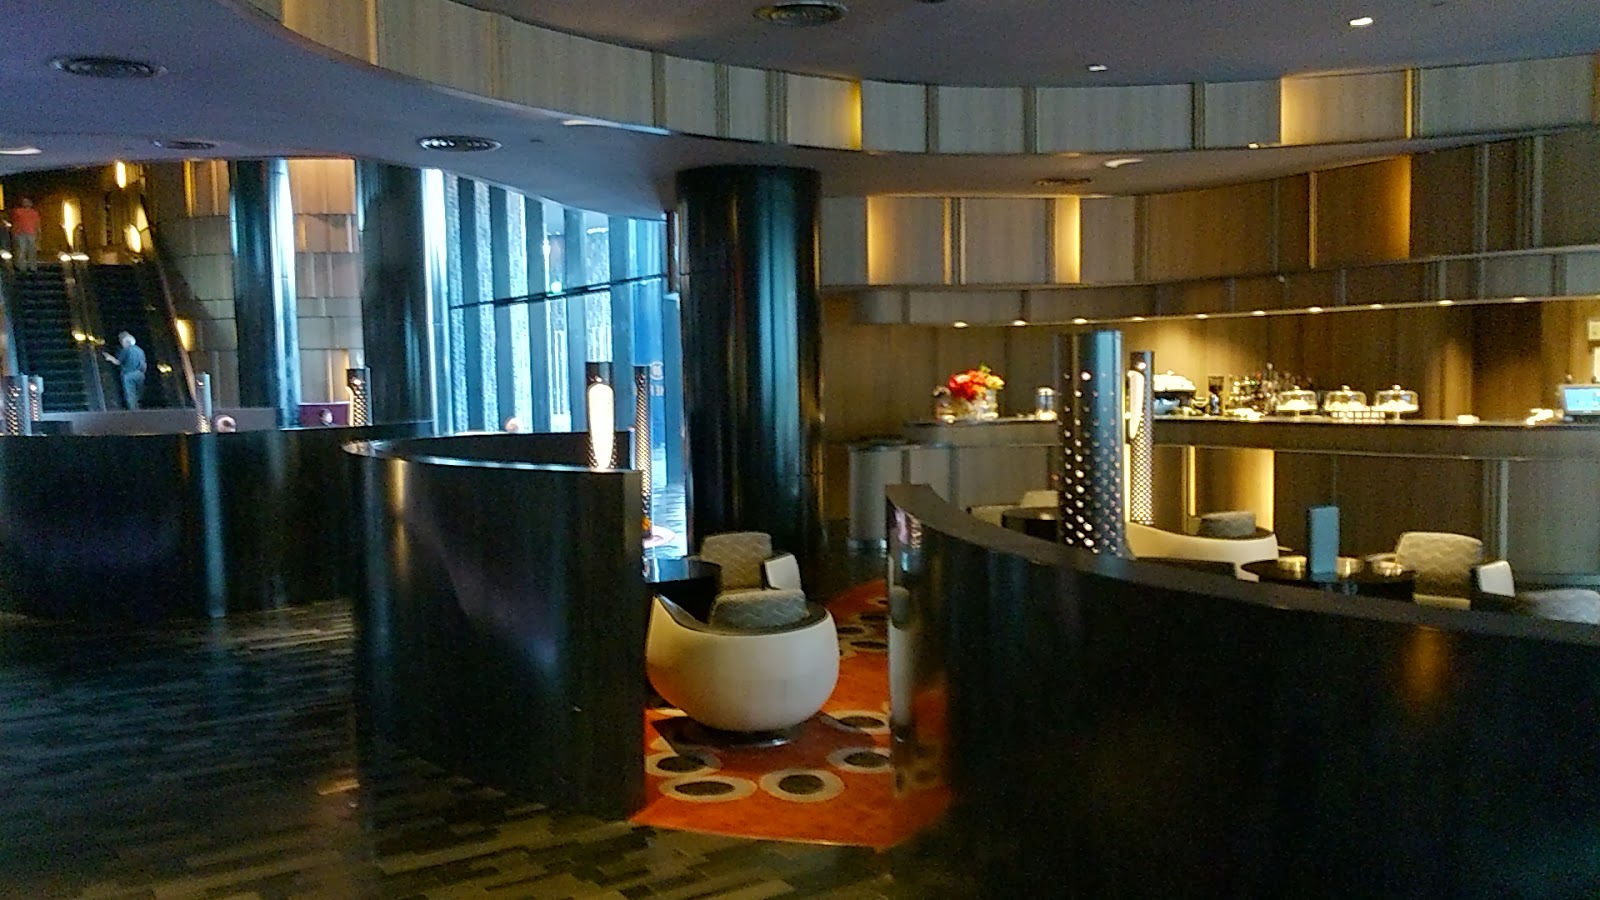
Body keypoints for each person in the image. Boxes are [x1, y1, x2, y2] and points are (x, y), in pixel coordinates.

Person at [101, 332, 147, 410]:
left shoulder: (126, 349)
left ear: (124, 341)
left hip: (128, 375)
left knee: (131, 395)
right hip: (140, 374)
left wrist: (110, 358)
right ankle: (142, 408)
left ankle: (134, 411)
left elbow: (118, 362)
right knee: (139, 394)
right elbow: (144, 365)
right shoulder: (140, 350)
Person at [4, 197, 40, 272]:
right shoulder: (18, 211)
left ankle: (32, 267)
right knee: (22, 250)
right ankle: (22, 267)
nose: (26, 203)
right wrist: (14, 232)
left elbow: (37, 224)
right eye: (24, 202)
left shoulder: (34, 212)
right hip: (21, 233)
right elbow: (15, 222)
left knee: (31, 251)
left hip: (31, 233)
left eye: (27, 202)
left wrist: (38, 233)